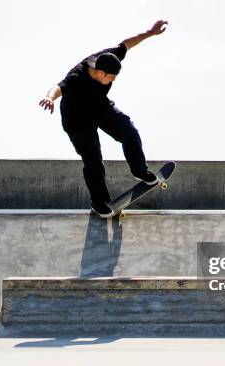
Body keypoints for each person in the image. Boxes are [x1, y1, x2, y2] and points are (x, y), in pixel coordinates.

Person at [39, 20, 169, 218]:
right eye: (111, 78)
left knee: (129, 132)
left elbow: (126, 44)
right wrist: (49, 97)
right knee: (93, 160)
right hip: (77, 121)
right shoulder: (77, 76)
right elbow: (58, 87)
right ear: (100, 73)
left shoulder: (106, 58)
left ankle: (140, 171)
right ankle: (99, 202)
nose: (113, 80)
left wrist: (150, 33)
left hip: (100, 108)